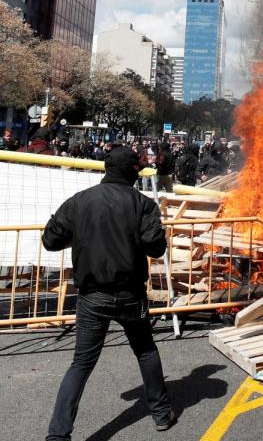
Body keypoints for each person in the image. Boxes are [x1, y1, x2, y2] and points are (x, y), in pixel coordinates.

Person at [42, 146, 175, 440]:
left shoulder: (80, 201)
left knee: (81, 362)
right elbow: (156, 247)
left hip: (92, 295)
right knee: (145, 350)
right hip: (130, 294)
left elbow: (51, 240)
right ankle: (161, 413)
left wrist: (78, 235)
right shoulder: (142, 204)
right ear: (132, 172)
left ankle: (58, 434)